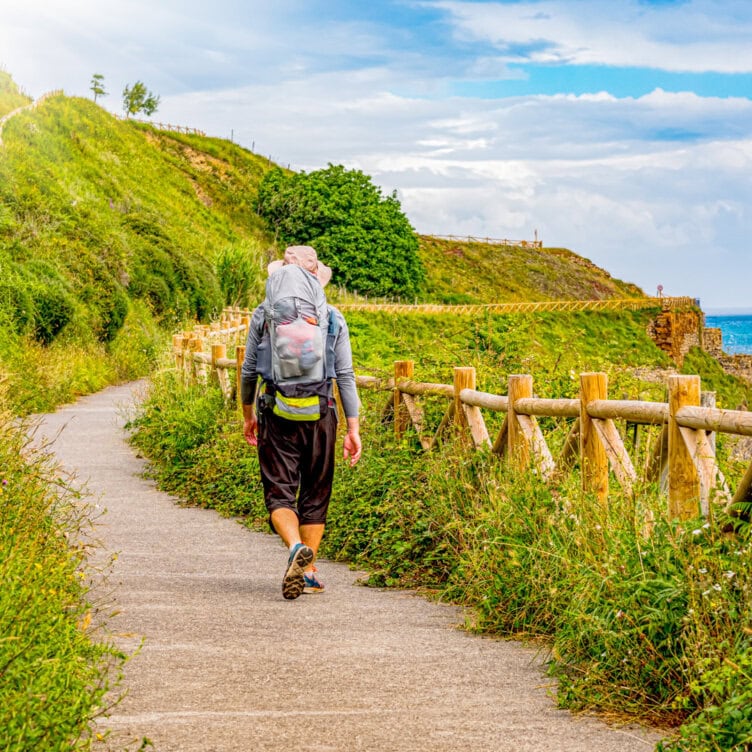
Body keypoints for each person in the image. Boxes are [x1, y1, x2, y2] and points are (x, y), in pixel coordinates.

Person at [241, 245, 362, 600]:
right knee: (315, 490)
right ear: (316, 280)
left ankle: (295, 547)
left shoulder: (264, 315)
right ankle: (308, 572)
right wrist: (353, 428)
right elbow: (345, 375)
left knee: (279, 490)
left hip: (275, 410)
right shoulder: (333, 317)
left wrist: (248, 414)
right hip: (322, 411)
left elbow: (249, 370)